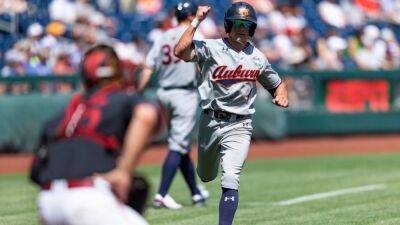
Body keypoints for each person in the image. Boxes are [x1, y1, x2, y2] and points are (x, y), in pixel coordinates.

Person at [174, 2, 288, 225]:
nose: (241, 28)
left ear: (252, 29)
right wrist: (196, 21)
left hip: (240, 124)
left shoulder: (257, 57)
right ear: (228, 25)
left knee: (230, 177)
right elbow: (180, 52)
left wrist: (281, 95)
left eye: (246, 24)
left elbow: (277, 83)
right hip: (210, 120)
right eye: (236, 23)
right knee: (206, 175)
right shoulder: (211, 47)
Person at [30, 44, 161, 225]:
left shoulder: (65, 114)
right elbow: (146, 115)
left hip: (48, 202)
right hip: (88, 196)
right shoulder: (122, 97)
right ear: (117, 71)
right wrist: (124, 171)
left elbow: (36, 173)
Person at [138, 0, 209, 209]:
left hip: (163, 94)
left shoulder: (162, 37)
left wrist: (138, 91)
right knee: (177, 144)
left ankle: (195, 193)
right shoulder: (195, 34)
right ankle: (161, 195)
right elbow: (202, 67)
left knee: (181, 143)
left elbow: (148, 67)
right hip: (183, 93)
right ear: (190, 16)